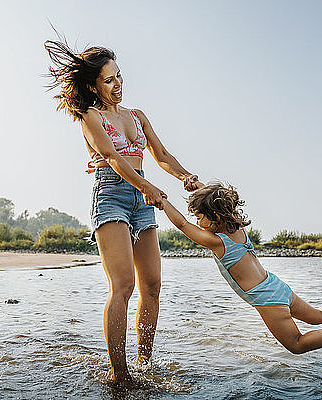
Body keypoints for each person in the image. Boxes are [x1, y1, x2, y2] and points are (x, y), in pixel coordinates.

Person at [44, 38, 200, 384]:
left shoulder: (137, 116)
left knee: (153, 285)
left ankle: (145, 365)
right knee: (123, 285)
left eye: (119, 76)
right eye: (109, 80)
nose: (117, 85)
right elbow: (113, 158)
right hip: (111, 194)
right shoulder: (90, 116)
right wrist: (147, 188)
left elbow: (161, 156)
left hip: (142, 195)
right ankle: (120, 372)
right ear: (92, 86)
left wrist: (186, 176)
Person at [160, 182, 322, 354]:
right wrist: (199, 188)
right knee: (318, 316)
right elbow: (218, 203)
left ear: (215, 216)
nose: (198, 223)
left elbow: (181, 223)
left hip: (267, 298)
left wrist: (162, 201)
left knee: (297, 345)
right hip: (276, 285)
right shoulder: (237, 230)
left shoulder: (217, 242)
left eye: (200, 217)